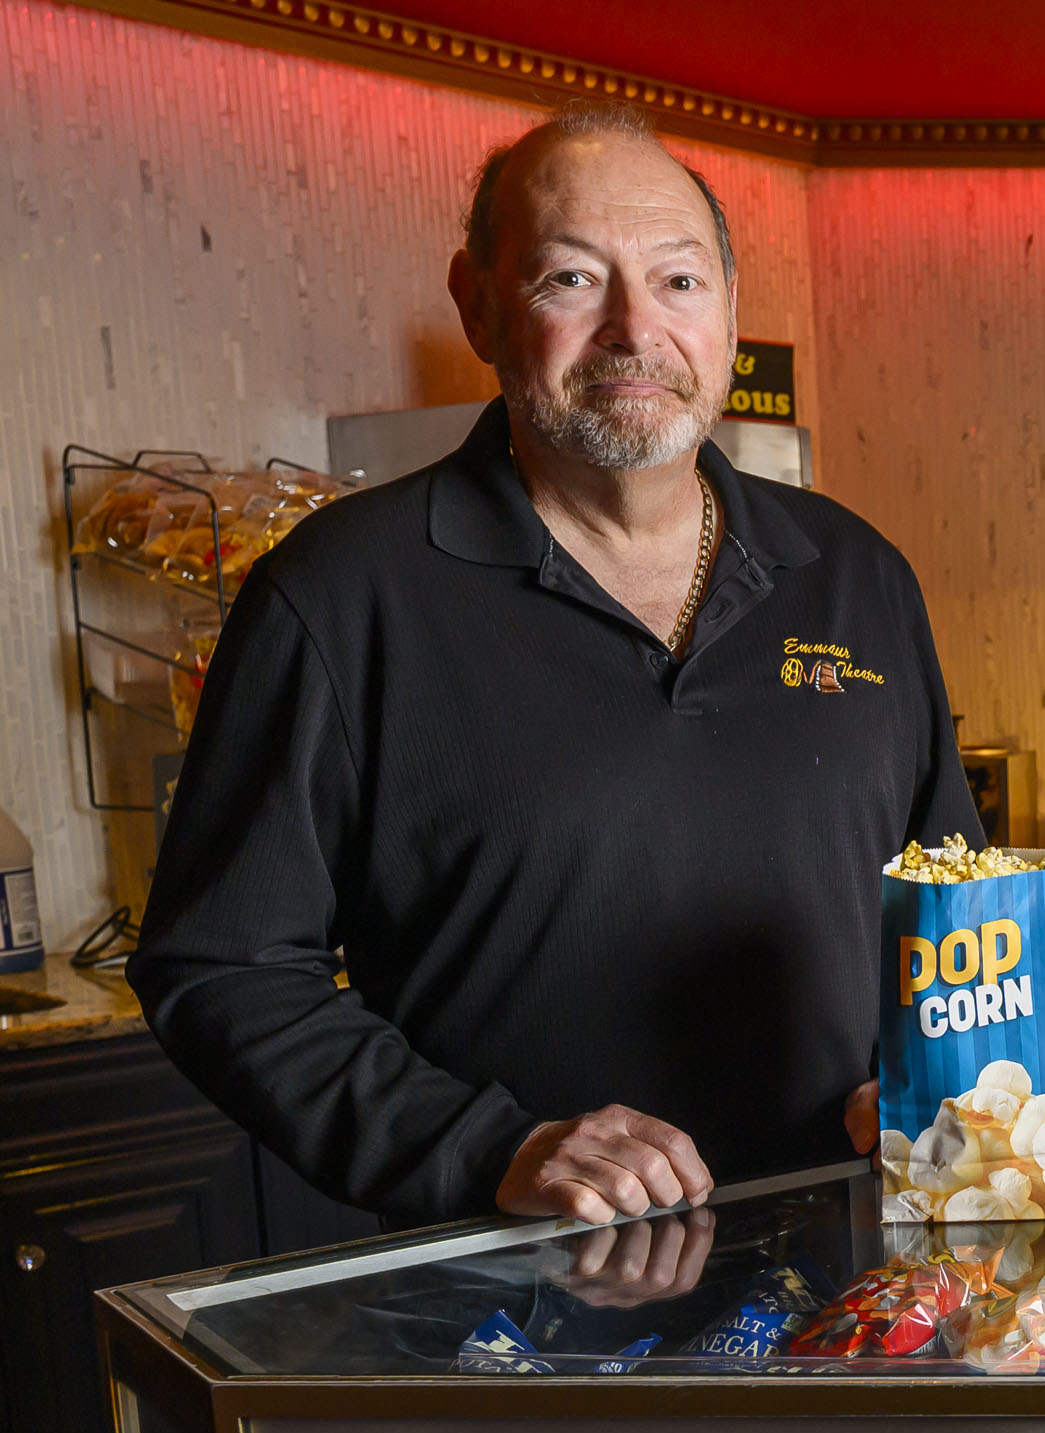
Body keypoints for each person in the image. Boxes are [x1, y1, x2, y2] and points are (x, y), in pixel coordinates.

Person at [131, 101, 980, 1256]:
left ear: (730, 312)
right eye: (572, 279)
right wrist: (491, 1148)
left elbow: (960, 923)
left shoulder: (855, 577)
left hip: (854, 1287)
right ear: (478, 304)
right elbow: (221, 969)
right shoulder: (337, 596)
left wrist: (942, 1081)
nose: (635, 330)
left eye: (678, 281)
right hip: (521, 1317)